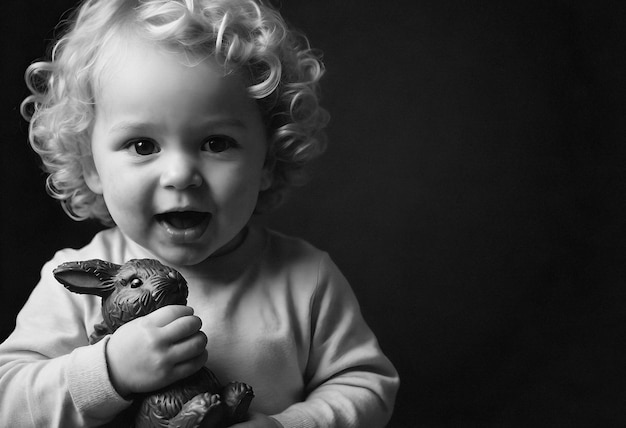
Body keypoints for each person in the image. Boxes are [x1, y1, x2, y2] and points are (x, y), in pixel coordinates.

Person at [0, 0, 399, 426]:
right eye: (142, 145)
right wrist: (109, 371)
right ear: (90, 165)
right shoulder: (73, 285)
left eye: (216, 143)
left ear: (267, 160)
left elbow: (366, 385)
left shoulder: (306, 279)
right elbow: (10, 402)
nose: (180, 174)